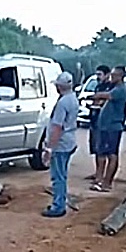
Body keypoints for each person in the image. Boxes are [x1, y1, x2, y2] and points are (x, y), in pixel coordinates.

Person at [40, 72, 79, 218]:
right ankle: (59, 202)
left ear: (59, 86)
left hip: (61, 143)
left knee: (58, 176)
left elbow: (57, 127)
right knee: (61, 174)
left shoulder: (63, 102)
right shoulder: (72, 99)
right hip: (69, 140)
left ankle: (58, 206)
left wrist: (49, 148)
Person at [90, 65, 126, 192]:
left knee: (111, 154)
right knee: (102, 153)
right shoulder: (115, 88)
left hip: (112, 126)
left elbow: (104, 95)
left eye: (114, 75)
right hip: (106, 126)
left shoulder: (120, 90)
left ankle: (107, 182)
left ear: (120, 76)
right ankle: (100, 180)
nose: (111, 77)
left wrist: (94, 96)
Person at [86, 65, 114, 182]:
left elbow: (103, 102)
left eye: (100, 74)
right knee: (95, 149)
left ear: (107, 75)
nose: (97, 77)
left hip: (104, 122)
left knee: (103, 150)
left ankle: (102, 176)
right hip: (94, 118)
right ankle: (98, 172)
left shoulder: (111, 88)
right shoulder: (98, 86)